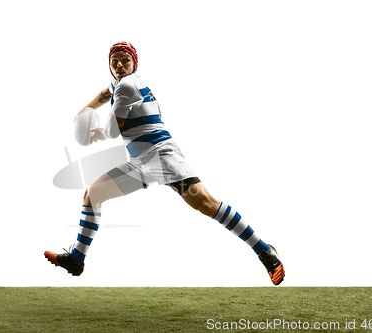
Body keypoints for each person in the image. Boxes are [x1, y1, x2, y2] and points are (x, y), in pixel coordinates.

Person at [44, 42, 285, 285]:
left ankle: (265, 251)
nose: (119, 64)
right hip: (141, 162)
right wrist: (85, 110)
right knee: (92, 194)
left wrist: (93, 133)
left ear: (134, 63)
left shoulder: (127, 86)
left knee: (207, 203)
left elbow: (112, 131)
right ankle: (76, 259)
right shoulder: (120, 82)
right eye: (114, 60)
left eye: (124, 60)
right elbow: (105, 93)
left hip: (162, 156)